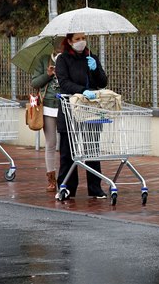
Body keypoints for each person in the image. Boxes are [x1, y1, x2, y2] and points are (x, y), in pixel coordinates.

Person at [55, 32, 109, 199]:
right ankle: (67, 187)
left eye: (83, 38)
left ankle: (95, 188)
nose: (81, 42)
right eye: (77, 39)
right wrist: (81, 91)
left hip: (90, 109)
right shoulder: (63, 60)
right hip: (70, 109)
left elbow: (102, 82)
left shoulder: (91, 56)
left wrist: (95, 69)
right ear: (70, 41)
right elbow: (64, 82)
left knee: (92, 148)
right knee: (68, 151)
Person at [31, 44, 62, 192]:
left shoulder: (69, 59)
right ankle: (51, 179)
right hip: (48, 106)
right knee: (51, 144)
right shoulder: (44, 60)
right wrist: (48, 75)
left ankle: (65, 177)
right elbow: (34, 82)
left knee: (66, 145)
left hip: (65, 107)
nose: (60, 46)